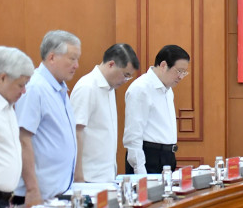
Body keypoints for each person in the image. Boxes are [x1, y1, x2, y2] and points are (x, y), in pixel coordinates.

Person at [13, 30, 81, 207]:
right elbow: (22, 138)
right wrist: (32, 190)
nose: (77, 65)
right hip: (37, 198)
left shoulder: (60, 90)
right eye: (72, 59)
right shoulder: (35, 88)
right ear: (52, 57)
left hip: (57, 195)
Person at [71, 44, 140, 183]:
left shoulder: (109, 89)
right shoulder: (87, 87)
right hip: (88, 178)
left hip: (106, 176)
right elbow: (75, 133)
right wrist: (78, 176)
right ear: (111, 64)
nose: (125, 81)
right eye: (125, 75)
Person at [0, 47, 35, 208]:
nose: (24, 91)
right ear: (2, 77)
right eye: (21, 85)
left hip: (3, 201)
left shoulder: (8, 105)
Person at [123, 45, 190, 174]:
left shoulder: (168, 90)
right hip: (148, 158)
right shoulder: (141, 88)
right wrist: (140, 172)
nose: (181, 77)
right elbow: (133, 135)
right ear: (164, 65)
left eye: (184, 72)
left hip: (167, 157)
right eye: (179, 71)